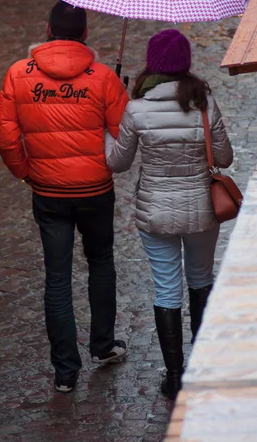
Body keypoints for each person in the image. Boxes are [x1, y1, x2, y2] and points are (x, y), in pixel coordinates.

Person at [0, 0, 129, 393]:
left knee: (57, 278)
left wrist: (26, 172)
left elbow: (4, 135)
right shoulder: (103, 78)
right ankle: (103, 345)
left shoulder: (19, 74)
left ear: (47, 30)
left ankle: (65, 371)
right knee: (101, 263)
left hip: (48, 194)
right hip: (96, 192)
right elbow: (124, 138)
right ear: (85, 34)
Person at [105, 29, 233, 401]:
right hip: (201, 211)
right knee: (200, 279)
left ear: (152, 64)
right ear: (186, 64)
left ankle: (175, 377)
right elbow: (223, 158)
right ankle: (204, 365)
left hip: (155, 212)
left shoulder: (136, 108)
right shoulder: (204, 103)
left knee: (166, 288)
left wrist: (106, 128)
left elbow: (118, 162)